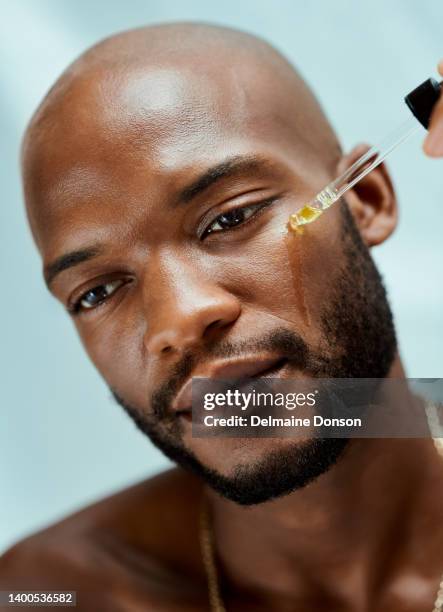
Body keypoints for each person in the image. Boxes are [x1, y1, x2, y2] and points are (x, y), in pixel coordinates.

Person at [1, 22, 443, 611]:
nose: (178, 320)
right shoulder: (45, 593)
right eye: (97, 291)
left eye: (230, 219)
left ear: (365, 201)